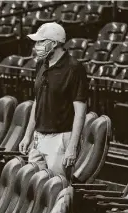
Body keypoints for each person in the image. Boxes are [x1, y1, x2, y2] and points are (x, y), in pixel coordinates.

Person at [19, 22, 89, 179]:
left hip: (60, 139)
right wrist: (27, 134)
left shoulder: (74, 68)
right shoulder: (41, 65)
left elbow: (80, 113)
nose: (37, 45)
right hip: (38, 137)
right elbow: (37, 102)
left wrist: (72, 146)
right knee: (34, 186)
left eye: (41, 41)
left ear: (55, 43)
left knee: (57, 189)